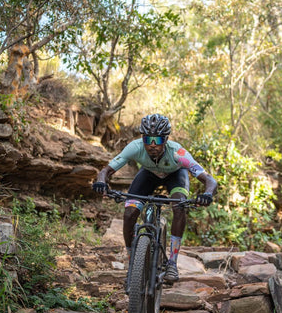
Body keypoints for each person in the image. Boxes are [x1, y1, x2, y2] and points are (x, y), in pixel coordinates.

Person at [92, 113, 217, 282]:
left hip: (175, 175)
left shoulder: (178, 153)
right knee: (129, 214)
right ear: (142, 138)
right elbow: (106, 171)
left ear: (165, 140)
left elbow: (209, 180)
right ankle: (132, 263)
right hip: (148, 175)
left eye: (157, 140)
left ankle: (172, 263)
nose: (152, 145)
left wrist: (207, 194)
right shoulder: (135, 147)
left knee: (179, 207)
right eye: (147, 139)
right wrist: (101, 182)